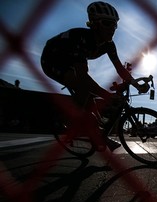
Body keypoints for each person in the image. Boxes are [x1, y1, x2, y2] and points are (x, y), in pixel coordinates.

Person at [41, 1, 148, 151]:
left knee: (90, 96)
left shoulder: (109, 45)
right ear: (94, 24)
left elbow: (120, 69)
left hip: (72, 61)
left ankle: (95, 131)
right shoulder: (80, 38)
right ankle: (77, 124)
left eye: (115, 25)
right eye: (107, 23)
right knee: (83, 87)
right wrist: (106, 95)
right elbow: (83, 78)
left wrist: (136, 84)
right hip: (53, 59)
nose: (112, 29)